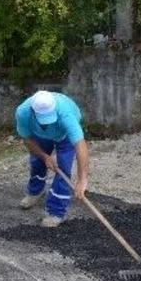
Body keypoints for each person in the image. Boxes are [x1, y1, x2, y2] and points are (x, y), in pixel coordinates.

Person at [15, 90, 91, 228]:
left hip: (64, 135)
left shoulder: (66, 113)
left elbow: (81, 145)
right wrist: (44, 157)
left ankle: (56, 212)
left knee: (63, 169)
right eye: (43, 119)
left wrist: (82, 180)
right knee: (37, 162)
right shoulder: (23, 113)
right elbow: (27, 139)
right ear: (33, 112)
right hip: (39, 135)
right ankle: (35, 192)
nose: (46, 123)